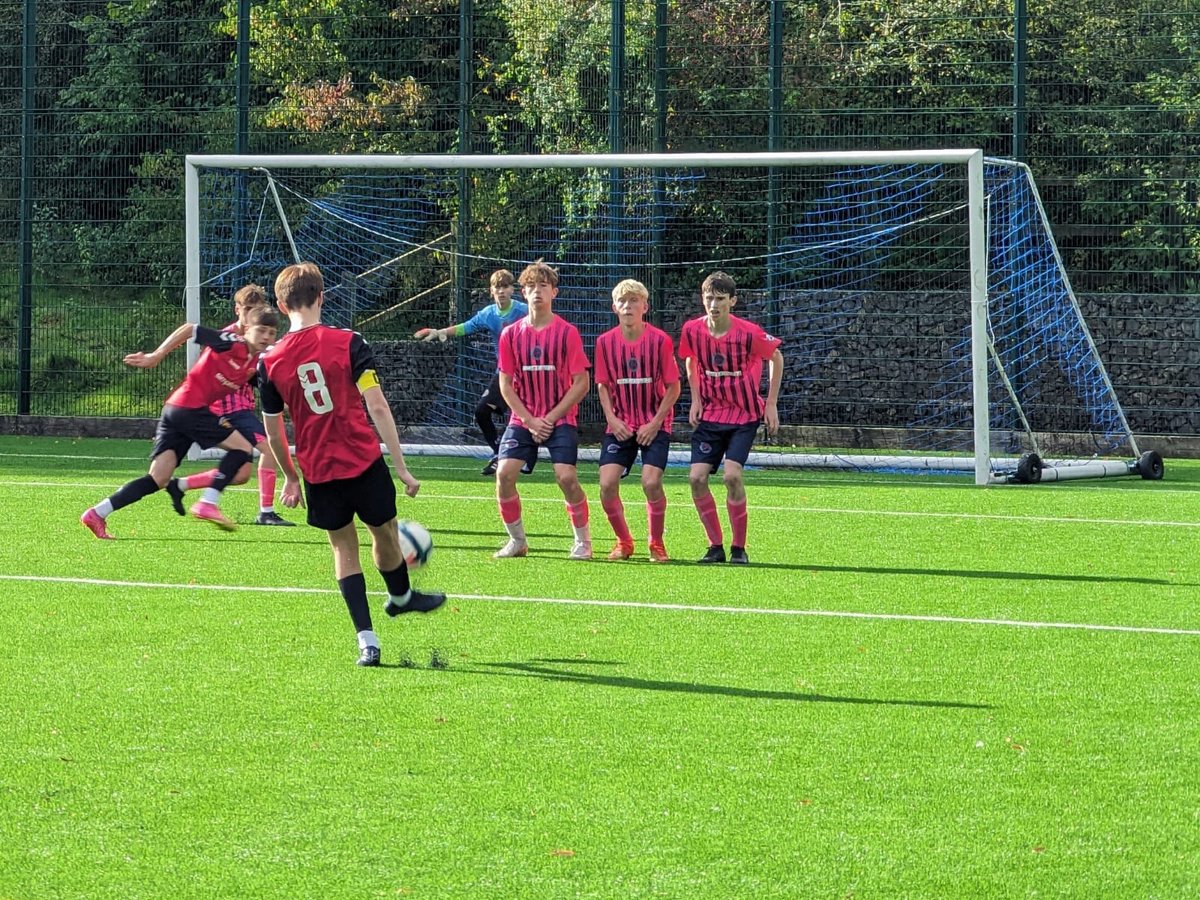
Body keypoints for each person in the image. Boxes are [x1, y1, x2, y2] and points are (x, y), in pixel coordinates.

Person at [259, 262, 446, 668]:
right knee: (384, 533)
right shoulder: (348, 342)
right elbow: (376, 404)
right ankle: (400, 596)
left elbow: (274, 433)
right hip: (362, 459)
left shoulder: (269, 361)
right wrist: (401, 465)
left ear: (279, 304)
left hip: (318, 469)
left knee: (343, 547)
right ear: (322, 296)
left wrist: (291, 477)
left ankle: (367, 641)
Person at [80, 306, 279, 538]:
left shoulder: (252, 363)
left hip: (175, 410)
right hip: (189, 408)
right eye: (261, 330)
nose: (266, 337)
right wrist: (157, 355)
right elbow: (190, 329)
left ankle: (97, 513)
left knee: (158, 478)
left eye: (272, 333)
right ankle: (208, 502)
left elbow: (268, 386)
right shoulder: (231, 342)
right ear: (246, 329)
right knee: (243, 449)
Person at [163, 284, 292, 526]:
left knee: (241, 474)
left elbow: (259, 376)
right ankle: (265, 512)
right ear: (238, 310)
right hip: (225, 408)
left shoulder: (259, 339)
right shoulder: (229, 337)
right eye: (248, 309)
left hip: (241, 406)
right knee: (267, 448)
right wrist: (156, 356)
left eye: (258, 309)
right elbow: (204, 363)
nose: (254, 316)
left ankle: (180, 485)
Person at [678, 271, 783, 565]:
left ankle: (739, 548)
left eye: (720, 299)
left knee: (732, 476)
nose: (714, 304)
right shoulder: (692, 330)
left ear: (732, 301)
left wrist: (770, 403)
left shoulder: (748, 332)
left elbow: (776, 357)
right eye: (709, 298)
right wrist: (696, 398)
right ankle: (715, 546)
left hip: (743, 415)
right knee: (696, 478)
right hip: (710, 415)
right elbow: (690, 359)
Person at [493, 259, 592, 560]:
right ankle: (517, 540)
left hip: (559, 419)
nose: (537, 292)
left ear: (554, 293)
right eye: (531, 286)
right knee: (504, 475)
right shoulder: (510, 334)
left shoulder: (567, 333)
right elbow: (506, 385)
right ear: (522, 293)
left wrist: (548, 418)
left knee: (566, 478)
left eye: (543, 286)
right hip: (524, 419)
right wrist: (529, 419)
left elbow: (582, 383)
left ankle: (583, 542)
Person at [593, 279, 681, 562]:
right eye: (622, 301)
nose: (628, 306)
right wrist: (612, 419)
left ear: (645, 306)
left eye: (634, 301)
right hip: (620, 424)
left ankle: (656, 543)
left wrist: (655, 423)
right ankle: (624, 542)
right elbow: (603, 385)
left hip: (654, 423)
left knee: (651, 482)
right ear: (614, 308)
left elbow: (673, 387)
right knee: (606, 484)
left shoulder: (660, 341)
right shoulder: (605, 342)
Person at [414, 269, 530, 475]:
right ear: (491, 291)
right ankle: (499, 453)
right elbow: (465, 327)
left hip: (530, 373)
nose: (501, 291)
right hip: (504, 373)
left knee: (523, 415)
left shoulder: (524, 311)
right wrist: (440, 332)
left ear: (513, 290)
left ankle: (526, 455)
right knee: (481, 412)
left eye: (505, 287)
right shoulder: (488, 314)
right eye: (497, 287)